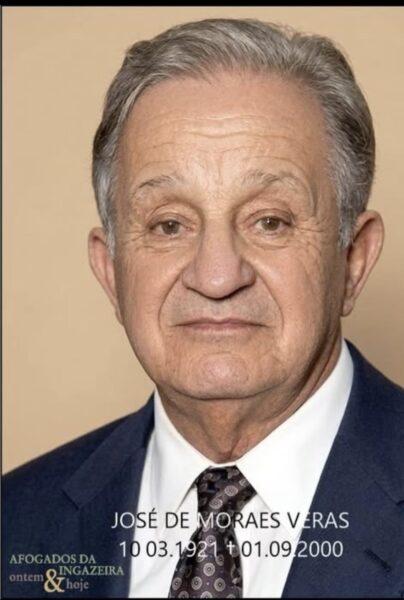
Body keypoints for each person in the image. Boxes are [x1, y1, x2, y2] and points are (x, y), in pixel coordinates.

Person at [3, 17, 404, 599]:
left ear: (354, 260)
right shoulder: (15, 526)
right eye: (169, 225)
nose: (217, 277)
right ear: (111, 272)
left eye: (270, 221)